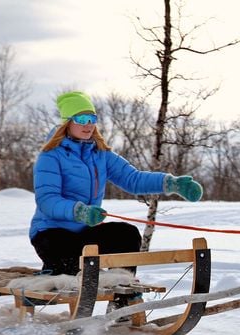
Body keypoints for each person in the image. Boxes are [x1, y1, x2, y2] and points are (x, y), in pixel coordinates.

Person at [29, 91, 203, 276]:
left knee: (126, 234)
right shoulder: (51, 156)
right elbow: (47, 200)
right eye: (81, 119)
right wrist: (80, 211)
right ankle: (55, 270)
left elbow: (133, 179)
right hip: (51, 234)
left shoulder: (100, 154)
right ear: (67, 122)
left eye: (92, 118)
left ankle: (122, 294)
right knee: (71, 268)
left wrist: (172, 183)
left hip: (84, 233)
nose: (88, 124)